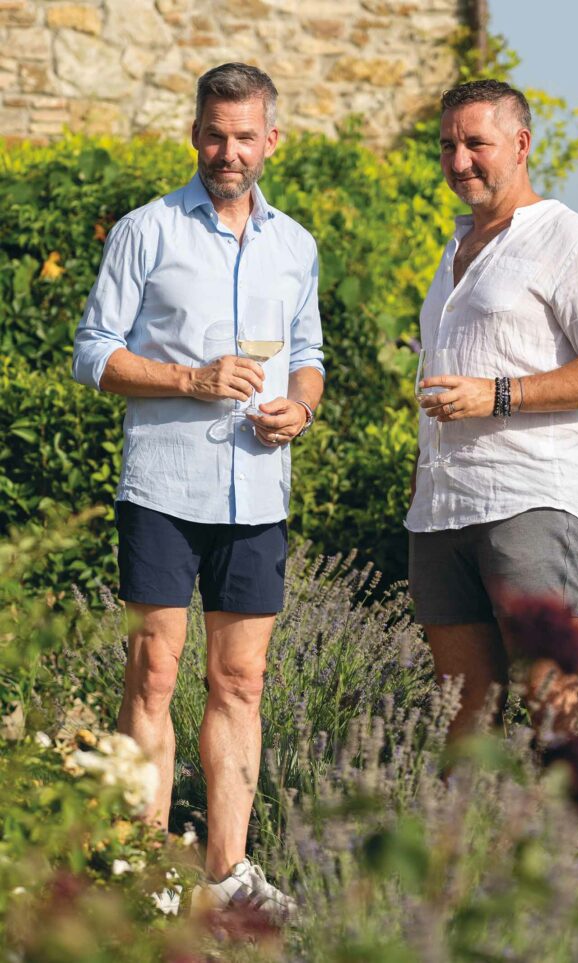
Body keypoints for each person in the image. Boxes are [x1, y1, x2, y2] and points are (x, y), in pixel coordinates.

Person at [72, 62, 324, 915]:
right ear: (195, 134)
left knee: (240, 681)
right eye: (215, 134)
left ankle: (225, 876)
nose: (229, 150)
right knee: (151, 673)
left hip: (257, 493)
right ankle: (144, 878)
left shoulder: (297, 245)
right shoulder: (146, 230)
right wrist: (190, 380)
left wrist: (302, 408)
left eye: (245, 136)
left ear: (271, 141)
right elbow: (94, 353)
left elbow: (309, 354)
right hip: (163, 487)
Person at [405, 79, 578, 742]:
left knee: (551, 698)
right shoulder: (455, 251)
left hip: (529, 500)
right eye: (447, 146)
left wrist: (498, 393)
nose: (459, 162)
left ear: (520, 144)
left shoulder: (571, 241)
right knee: (462, 711)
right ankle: (465, 848)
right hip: (442, 508)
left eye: (475, 143)